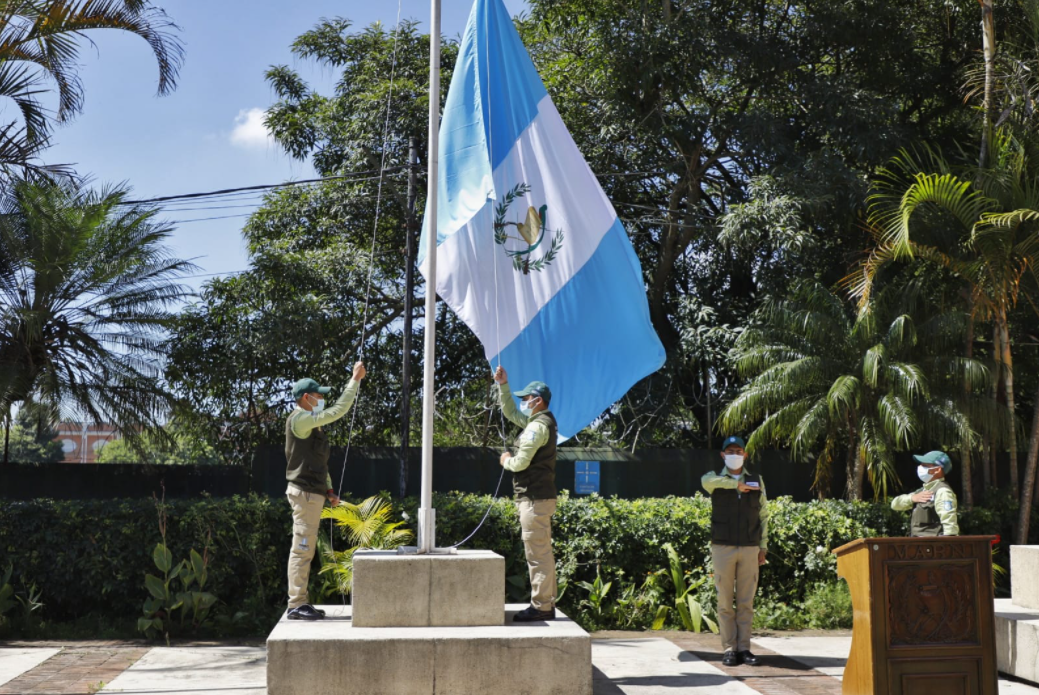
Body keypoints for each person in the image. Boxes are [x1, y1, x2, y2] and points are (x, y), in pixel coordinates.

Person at [283, 362, 366, 621]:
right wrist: (355, 380)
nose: (322, 400)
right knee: (302, 549)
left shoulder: (312, 425)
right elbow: (339, 410)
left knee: (304, 549)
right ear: (306, 398)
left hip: (313, 493)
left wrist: (329, 489)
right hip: (304, 494)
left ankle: (299, 603)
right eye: (319, 396)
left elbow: (319, 463)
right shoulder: (300, 419)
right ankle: (296, 604)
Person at [493, 365, 558, 623]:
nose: (523, 403)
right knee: (541, 552)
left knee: (538, 554)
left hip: (534, 500)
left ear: (537, 401)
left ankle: (542, 606)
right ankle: (545, 603)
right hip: (538, 498)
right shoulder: (539, 422)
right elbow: (509, 411)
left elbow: (520, 463)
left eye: (526, 399)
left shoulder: (536, 427)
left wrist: (506, 460)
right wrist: (503, 385)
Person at [701, 435, 769, 667]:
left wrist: (763, 546)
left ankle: (744, 649)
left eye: (738, 451)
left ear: (745, 455)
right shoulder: (715, 479)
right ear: (723, 455)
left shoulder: (756, 480)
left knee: (745, 601)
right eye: (730, 451)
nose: (734, 455)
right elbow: (705, 481)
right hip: (723, 547)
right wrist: (734, 484)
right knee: (724, 601)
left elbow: (763, 515)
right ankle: (729, 648)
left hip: (750, 548)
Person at [890, 450, 959, 537]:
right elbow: (894, 505)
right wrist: (912, 498)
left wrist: (947, 546)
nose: (920, 467)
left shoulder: (943, 491)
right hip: (918, 545)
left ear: (937, 470)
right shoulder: (922, 491)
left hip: (933, 547)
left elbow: (950, 526)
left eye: (925, 465)